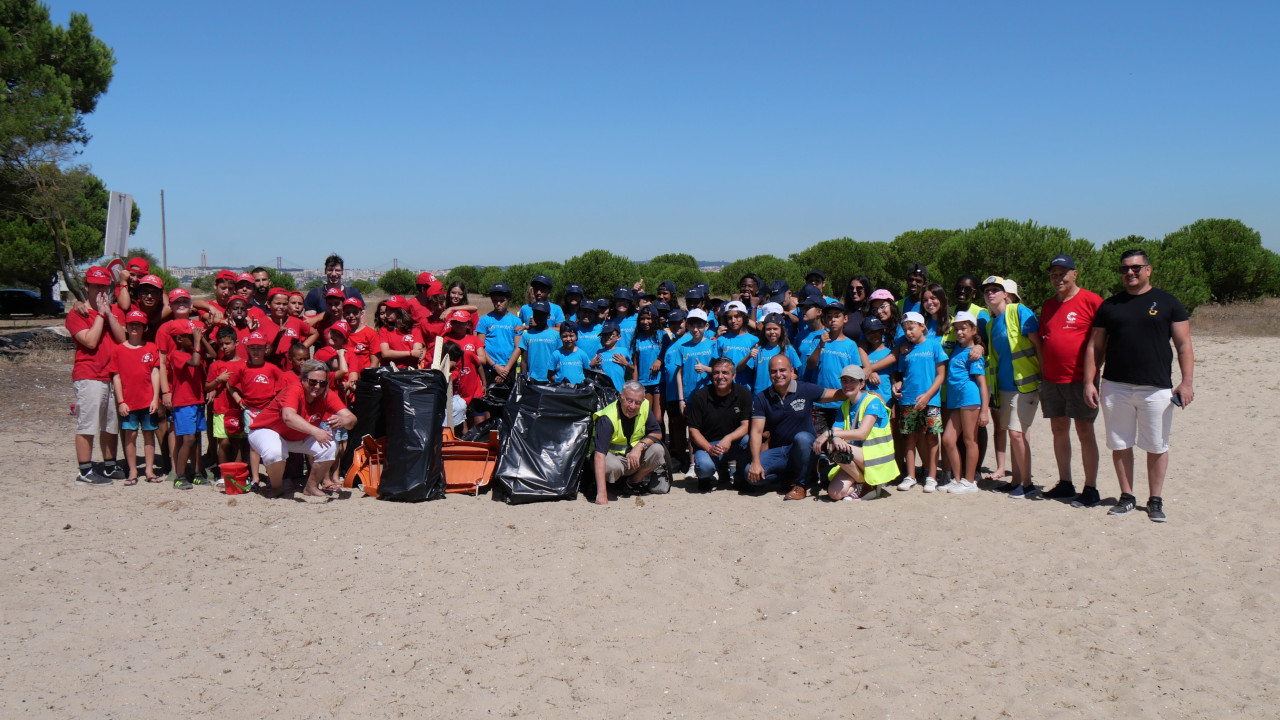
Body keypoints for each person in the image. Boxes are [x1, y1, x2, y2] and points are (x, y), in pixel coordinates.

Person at [1083, 249, 1194, 523]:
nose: (1129, 273)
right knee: (1120, 443)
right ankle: (1127, 496)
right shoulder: (1110, 306)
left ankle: (1155, 500)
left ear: (1148, 269)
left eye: (1135, 268)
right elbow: (1095, 346)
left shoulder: (1168, 303)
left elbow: (1183, 344)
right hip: (1115, 386)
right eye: (1124, 269)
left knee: (1157, 445)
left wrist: (1187, 382)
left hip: (1156, 388)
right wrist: (1089, 381)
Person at [1037, 254, 1105, 506]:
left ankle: (1091, 488)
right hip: (1053, 380)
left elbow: (1103, 340)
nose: (1058, 279)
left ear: (1075, 274)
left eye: (1063, 273)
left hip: (1081, 380)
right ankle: (1065, 482)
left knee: (1084, 431)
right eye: (1054, 274)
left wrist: (1093, 373)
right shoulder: (1048, 306)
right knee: (1058, 430)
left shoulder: (1091, 301)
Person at [248, 359, 357, 498]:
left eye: (322, 383)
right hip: (265, 430)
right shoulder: (294, 389)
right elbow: (288, 417)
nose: (317, 386)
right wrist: (315, 431)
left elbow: (352, 419)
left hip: (295, 436)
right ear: (303, 380)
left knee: (330, 446)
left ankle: (310, 487)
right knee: (274, 451)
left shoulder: (326, 394)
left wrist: (345, 420)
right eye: (313, 382)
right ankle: (276, 487)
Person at [747, 354, 846, 500]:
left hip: (806, 448)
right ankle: (787, 478)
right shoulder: (763, 397)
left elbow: (836, 395)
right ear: (769, 374)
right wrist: (755, 462)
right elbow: (756, 432)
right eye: (774, 371)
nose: (778, 375)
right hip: (780, 452)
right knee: (750, 476)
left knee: (803, 437)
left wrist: (863, 392)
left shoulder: (805, 389)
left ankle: (801, 484)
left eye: (782, 370)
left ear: (792, 371)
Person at [981, 276, 1043, 499]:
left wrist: (1043, 378)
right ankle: (1016, 480)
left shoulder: (1019, 311)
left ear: (1005, 293)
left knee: (1017, 434)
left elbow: (1037, 344)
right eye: (987, 290)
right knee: (1013, 432)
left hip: (1025, 384)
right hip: (1004, 386)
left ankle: (1027, 484)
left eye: (995, 289)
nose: (990, 293)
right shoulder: (990, 324)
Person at [67, 266, 127, 484]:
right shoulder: (77, 313)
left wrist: (109, 314)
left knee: (110, 424)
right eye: (95, 286)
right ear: (86, 287)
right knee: (88, 423)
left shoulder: (115, 312)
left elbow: (122, 339)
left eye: (103, 286)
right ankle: (85, 470)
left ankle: (109, 465)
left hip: (113, 376)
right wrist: (100, 315)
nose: (100, 291)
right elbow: (90, 341)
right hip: (89, 374)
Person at [819, 365, 894, 501]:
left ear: (862, 383)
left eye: (852, 381)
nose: (847, 385)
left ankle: (868, 485)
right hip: (858, 457)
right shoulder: (845, 405)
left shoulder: (872, 402)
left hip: (877, 457)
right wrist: (834, 437)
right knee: (834, 493)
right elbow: (836, 431)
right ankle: (864, 483)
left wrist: (831, 435)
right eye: (844, 381)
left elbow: (861, 434)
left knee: (835, 447)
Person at [891, 311, 947, 492]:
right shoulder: (905, 350)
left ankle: (931, 476)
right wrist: (896, 385)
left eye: (912, 328)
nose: (908, 332)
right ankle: (911, 476)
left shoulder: (934, 346)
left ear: (922, 326)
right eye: (905, 329)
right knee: (910, 439)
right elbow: (904, 375)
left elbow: (940, 375)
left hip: (930, 401)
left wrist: (927, 396)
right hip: (907, 400)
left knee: (932, 437)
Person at [591, 381, 667, 505]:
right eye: (629, 401)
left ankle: (632, 483)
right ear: (621, 397)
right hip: (611, 460)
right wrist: (602, 494)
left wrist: (640, 446)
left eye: (637, 402)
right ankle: (608, 486)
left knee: (658, 450)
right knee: (612, 467)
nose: (632, 406)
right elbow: (599, 456)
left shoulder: (645, 406)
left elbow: (657, 433)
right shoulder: (607, 418)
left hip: (632, 459)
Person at [110, 309, 162, 485]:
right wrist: (121, 401)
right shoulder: (118, 350)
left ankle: (149, 470)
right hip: (128, 403)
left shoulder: (151, 347)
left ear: (144, 328)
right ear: (126, 326)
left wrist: (155, 398)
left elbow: (155, 374)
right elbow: (116, 376)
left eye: (138, 325)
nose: (134, 327)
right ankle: (132, 470)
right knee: (130, 435)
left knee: (149, 435)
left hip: (148, 402)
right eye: (131, 324)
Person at [685, 357, 752, 492]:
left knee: (748, 440)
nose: (720, 376)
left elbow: (746, 425)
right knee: (705, 468)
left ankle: (739, 477)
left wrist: (729, 438)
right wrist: (709, 448)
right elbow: (693, 430)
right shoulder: (700, 396)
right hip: (708, 445)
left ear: (734, 376)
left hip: (733, 443)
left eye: (725, 373)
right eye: (716, 372)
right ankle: (705, 478)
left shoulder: (744, 393)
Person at [940, 312, 989, 495]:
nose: (959, 332)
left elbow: (982, 383)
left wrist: (984, 411)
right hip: (956, 401)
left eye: (964, 328)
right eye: (957, 329)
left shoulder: (974, 353)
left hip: (970, 399)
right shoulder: (957, 350)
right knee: (948, 439)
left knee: (970, 440)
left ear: (973, 330)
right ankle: (958, 479)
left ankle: (970, 481)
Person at [228, 331, 285, 488]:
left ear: (265, 349)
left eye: (259, 348)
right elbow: (230, 385)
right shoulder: (243, 368)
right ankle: (255, 479)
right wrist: (238, 399)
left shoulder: (272, 368)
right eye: (252, 348)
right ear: (247, 349)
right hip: (251, 411)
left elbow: (284, 385)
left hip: (269, 411)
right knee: (254, 446)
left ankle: (270, 476)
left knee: (269, 444)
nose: (256, 351)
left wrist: (276, 403)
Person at [163, 320, 211, 489]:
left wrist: (202, 339)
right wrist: (197, 343)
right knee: (188, 439)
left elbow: (211, 354)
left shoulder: (195, 351)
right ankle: (180, 475)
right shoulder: (177, 354)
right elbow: (196, 362)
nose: (193, 339)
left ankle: (197, 473)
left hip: (197, 401)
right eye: (190, 337)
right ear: (179, 339)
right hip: (183, 403)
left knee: (197, 439)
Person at [806, 300, 861, 436]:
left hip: (842, 402)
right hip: (821, 402)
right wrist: (820, 345)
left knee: (839, 441)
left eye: (837, 316)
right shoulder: (818, 340)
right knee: (819, 441)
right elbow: (810, 364)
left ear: (845, 318)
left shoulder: (851, 345)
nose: (833, 320)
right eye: (829, 317)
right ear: (824, 320)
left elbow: (856, 373)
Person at [205, 326, 247, 482]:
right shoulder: (216, 365)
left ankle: (237, 474)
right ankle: (223, 475)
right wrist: (218, 380)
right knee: (223, 443)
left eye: (228, 343)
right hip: (220, 409)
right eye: (221, 344)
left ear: (236, 343)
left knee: (237, 442)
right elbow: (207, 386)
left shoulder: (244, 364)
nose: (224, 347)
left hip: (237, 410)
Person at [673, 309, 715, 421]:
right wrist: (681, 400)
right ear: (687, 326)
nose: (695, 329)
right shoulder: (682, 347)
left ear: (706, 326)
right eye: (692, 326)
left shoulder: (713, 345)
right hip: (690, 396)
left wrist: (705, 369)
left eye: (699, 326)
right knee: (693, 430)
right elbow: (679, 374)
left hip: (711, 395)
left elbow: (720, 370)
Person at [475, 282, 521, 384]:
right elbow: (479, 346)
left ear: (508, 300)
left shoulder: (515, 321)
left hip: (508, 369)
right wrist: (495, 366)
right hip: (489, 368)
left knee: (508, 399)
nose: (498, 303)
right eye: (495, 300)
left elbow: (518, 347)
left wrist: (506, 369)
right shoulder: (485, 320)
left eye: (502, 300)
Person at [745, 313, 800, 394]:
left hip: (781, 393)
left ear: (782, 330)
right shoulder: (758, 349)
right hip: (760, 394)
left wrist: (782, 381)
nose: (772, 332)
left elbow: (795, 374)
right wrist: (748, 356)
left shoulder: (788, 350)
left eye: (775, 329)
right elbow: (747, 371)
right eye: (768, 329)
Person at [630, 307, 665, 422]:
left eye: (648, 318)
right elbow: (635, 365)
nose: (645, 322)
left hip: (660, 381)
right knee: (647, 418)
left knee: (658, 419)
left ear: (654, 319)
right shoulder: (637, 338)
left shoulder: (662, 335)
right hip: (644, 382)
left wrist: (659, 359)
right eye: (642, 319)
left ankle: (660, 440)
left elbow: (669, 352)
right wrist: (635, 385)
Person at [713, 301, 758, 386]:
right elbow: (715, 364)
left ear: (744, 317)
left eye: (737, 317)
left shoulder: (754, 340)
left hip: (745, 387)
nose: (733, 321)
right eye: (730, 318)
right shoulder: (721, 340)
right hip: (724, 387)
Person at [514, 301, 559, 381]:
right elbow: (524, 360)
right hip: (531, 379)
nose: (538, 317)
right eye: (536, 313)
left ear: (548, 316)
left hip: (550, 380)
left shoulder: (556, 335)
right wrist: (524, 378)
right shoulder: (527, 335)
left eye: (542, 314)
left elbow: (559, 359)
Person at [377, 295, 426, 368]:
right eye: (387, 310)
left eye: (391, 310)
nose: (387, 314)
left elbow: (417, 353)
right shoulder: (384, 330)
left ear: (400, 312)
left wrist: (395, 354)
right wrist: (410, 353)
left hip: (410, 372)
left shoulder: (415, 329)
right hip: (390, 372)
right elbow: (385, 353)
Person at [591, 321, 630, 391]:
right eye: (604, 335)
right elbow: (594, 372)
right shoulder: (599, 352)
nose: (607, 337)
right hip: (603, 391)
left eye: (611, 334)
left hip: (619, 389)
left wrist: (626, 364)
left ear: (618, 337)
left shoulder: (624, 351)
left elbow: (633, 370)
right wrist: (591, 365)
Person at [841, 274, 872, 343]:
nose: (854, 291)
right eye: (851, 288)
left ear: (866, 290)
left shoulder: (873, 312)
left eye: (859, 288)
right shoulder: (843, 312)